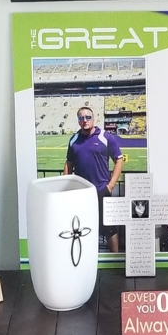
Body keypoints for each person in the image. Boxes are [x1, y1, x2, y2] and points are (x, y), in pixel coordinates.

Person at [63, 106, 124, 252]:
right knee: (83, 227)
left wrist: (110, 185)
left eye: (87, 117)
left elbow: (119, 160)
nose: (85, 120)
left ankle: (113, 260)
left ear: (93, 118)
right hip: (81, 193)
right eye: (81, 118)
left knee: (109, 228)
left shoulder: (106, 137)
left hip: (101, 189)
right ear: (78, 121)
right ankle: (86, 259)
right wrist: (65, 185)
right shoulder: (74, 140)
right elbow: (69, 163)